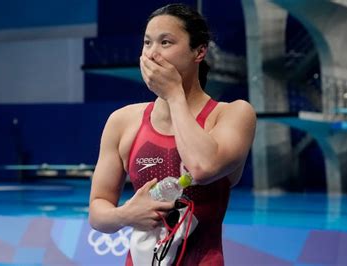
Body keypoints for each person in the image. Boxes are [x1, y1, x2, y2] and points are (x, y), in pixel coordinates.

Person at [89, 3, 256, 265]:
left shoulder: (233, 115)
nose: (152, 54)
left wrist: (175, 95)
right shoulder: (123, 121)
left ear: (199, 51)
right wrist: (126, 214)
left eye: (165, 43)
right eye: (147, 43)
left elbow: (202, 168)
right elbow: (98, 213)